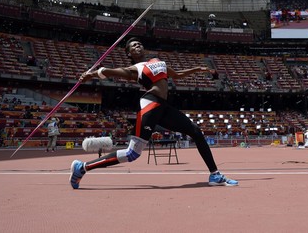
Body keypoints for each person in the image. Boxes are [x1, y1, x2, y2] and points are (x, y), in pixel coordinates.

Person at [69, 37, 238, 189]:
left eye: (139, 44)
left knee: (195, 131)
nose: (137, 46)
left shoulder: (159, 62)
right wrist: (90, 75)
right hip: (150, 104)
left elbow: (177, 75)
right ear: (129, 53)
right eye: (133, 46)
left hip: (163, 107)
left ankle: (214, 174)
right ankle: (82, 167)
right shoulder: (136, 68)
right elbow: (109, 71)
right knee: (132, 154)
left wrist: (198, 69)